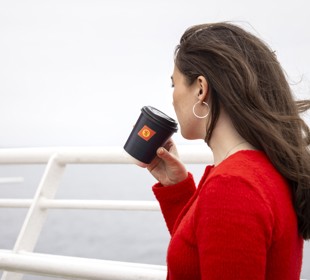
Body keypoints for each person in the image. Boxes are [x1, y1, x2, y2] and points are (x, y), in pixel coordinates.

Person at [146, 22, 310, 280]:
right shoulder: (265, 170)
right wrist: (177, 191)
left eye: (174, 85)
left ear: (201, 88)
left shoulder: (232, 186)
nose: (172, 97)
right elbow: (211, 252)